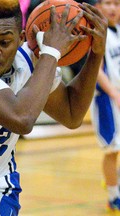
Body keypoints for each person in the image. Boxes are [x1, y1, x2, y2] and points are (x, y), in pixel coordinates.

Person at [0, 0, 107, 215]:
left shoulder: (29, 62)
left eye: (4, 42)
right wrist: (51, 53)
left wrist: (96, 54)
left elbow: (71, 114)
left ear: (21, 38)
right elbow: (21, 118)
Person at [90, 0, 120, 212]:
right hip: (107, 100)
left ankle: (114, 182)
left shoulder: (118, 31)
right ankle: (113, 196)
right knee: (112, 151)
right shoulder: (96, 34)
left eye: (117, 4)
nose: (113, 8)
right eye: (108, 3)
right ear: (98, 6)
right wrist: (113, 93)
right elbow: (97, 71)